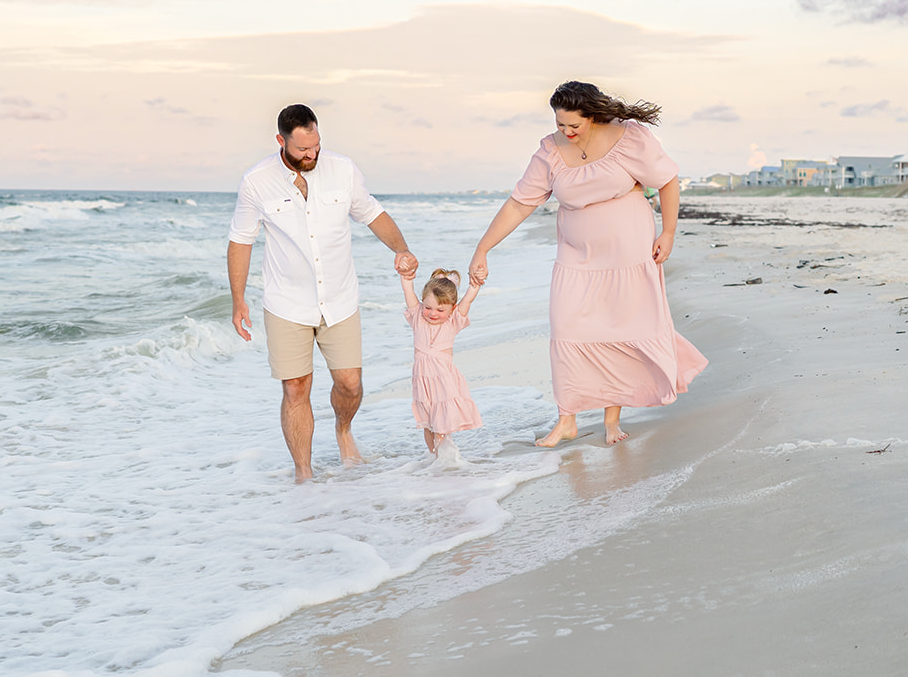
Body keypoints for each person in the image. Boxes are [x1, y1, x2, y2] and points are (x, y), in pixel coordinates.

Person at [468, 81, 706, 446]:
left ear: (593, 117)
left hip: (629, 253)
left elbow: (667, 180)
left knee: (617, 332)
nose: (566, 132)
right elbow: (519, 204)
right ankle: (567, 420)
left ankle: (613, 420)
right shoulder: (549, 150)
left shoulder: (630, 138)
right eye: (560, 124)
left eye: (573, 126)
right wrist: (483, 248)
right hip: (576, 256)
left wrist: (669, 232)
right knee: (567, 331)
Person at [228, 104, 418, 482]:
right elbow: (240, 241)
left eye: (316, 146)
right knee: (296, 387)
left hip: (340, 298)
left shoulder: (343, 170)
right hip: (286, 302)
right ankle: (304, 475)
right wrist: (238, 301)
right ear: (281, 141)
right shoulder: (256, 181)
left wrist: (401, 248)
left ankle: (343, 430)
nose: (311, 155)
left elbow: (372, 213)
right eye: (302, 150)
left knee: (350, 383)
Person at [400, 267, 484, 457]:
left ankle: (448, 460)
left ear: (452, 309)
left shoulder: (452, 322)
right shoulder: (417, 318)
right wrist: (405, 276)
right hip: (423, 384)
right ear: (422, 304)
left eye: (440, 309)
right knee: (427, 424)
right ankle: (436, 460)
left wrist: (475, 285)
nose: (433, 313)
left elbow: (468, 300)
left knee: (441, 424)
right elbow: (408, 291)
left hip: (443, 382)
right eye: (428, 307)